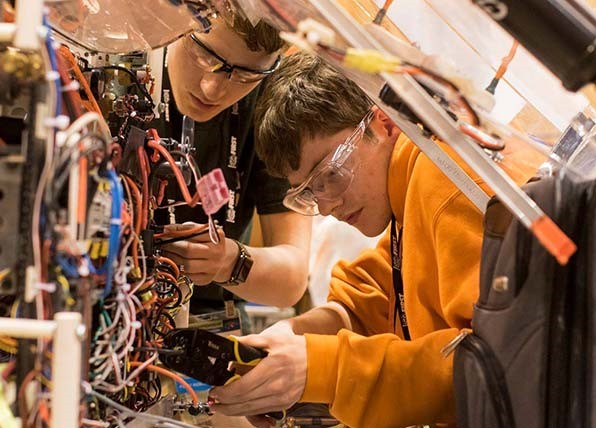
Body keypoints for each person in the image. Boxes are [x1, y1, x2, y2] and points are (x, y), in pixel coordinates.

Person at [210, 53, 527, 427]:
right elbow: (374, 296)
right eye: (309, 193)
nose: (327, 205)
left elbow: (496, 364)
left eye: (330, 173)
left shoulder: (446, 183)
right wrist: (296, 335)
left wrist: (322, 369)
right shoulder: (411, 181)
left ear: (384, 120)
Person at [151, 13, 312, 312]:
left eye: (245, 74)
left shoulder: (273, 106)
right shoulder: (112, 59)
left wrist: (230, 261)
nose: (212, 89)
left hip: (208, 327)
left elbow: (292, 280)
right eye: (202, 53)